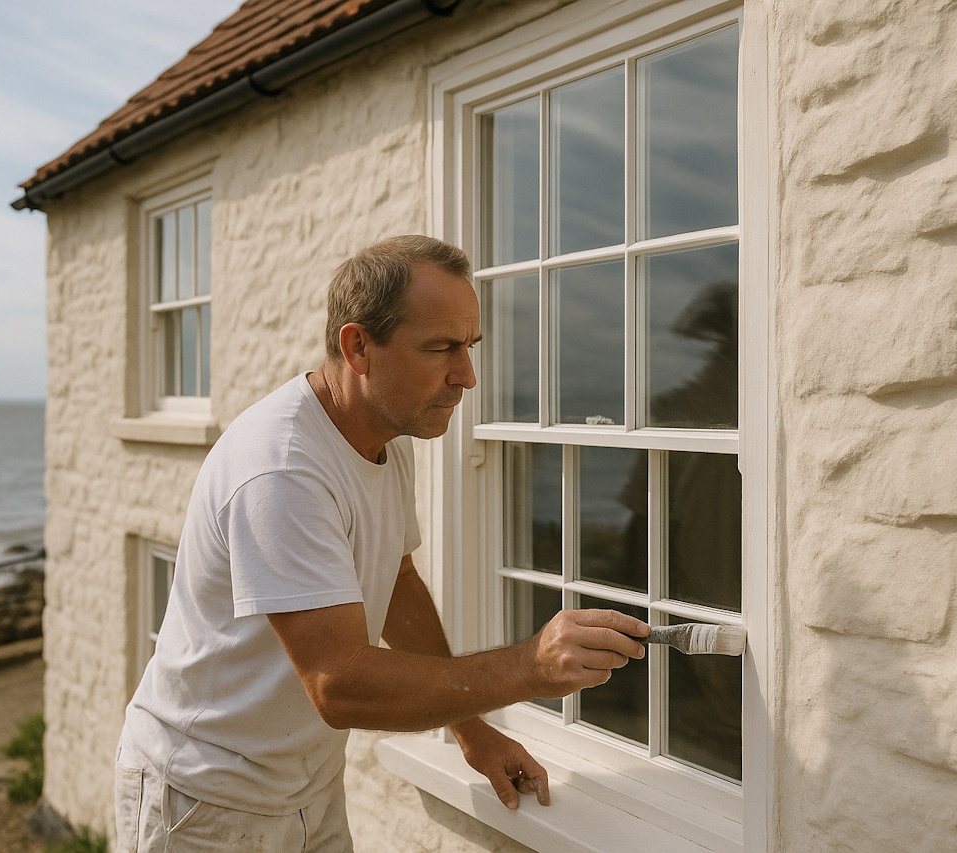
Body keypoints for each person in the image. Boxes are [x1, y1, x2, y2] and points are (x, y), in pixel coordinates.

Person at [115, 235, 649, 852]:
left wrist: (471, 730)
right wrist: (526, 668)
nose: (466, 376)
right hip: (203, 805)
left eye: (469, 347)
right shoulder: (283, 470)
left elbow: (395, 583)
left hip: (305, 792)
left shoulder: (384, 434)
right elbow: (338, 683)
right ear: (358, 346)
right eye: (440, 349)